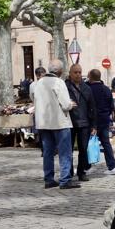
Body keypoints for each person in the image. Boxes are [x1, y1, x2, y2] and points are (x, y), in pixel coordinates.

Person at [31, 59, 78, 189]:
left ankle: (49, 178)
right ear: (60, 71)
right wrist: (71, 104)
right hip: (59, 122)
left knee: (48, 152)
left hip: (43, 122)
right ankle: (65, 180)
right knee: (64, 152)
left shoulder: (38, 83)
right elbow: (65, 103)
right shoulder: (58, 82)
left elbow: (33, 98)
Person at [65, 63, 97, 181]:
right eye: (75, 72)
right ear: (70, 74)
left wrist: (94, 125)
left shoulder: (86, 88)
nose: (78, 74)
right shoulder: (65, 87)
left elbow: (92, 107)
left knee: (83, 149)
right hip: (69, 123)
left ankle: (81, 171)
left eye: (79, 72)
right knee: (68, 149)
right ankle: (68, 171)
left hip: (84, 123)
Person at [87, 69, 115, 174]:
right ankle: (113, 166)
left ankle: (85, 166)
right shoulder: (106, 89)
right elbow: (111, 106)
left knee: (87, 143)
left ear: (91, 77)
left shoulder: (88, 89)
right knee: (106, 143)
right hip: (104, 120)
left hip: (91, 121)